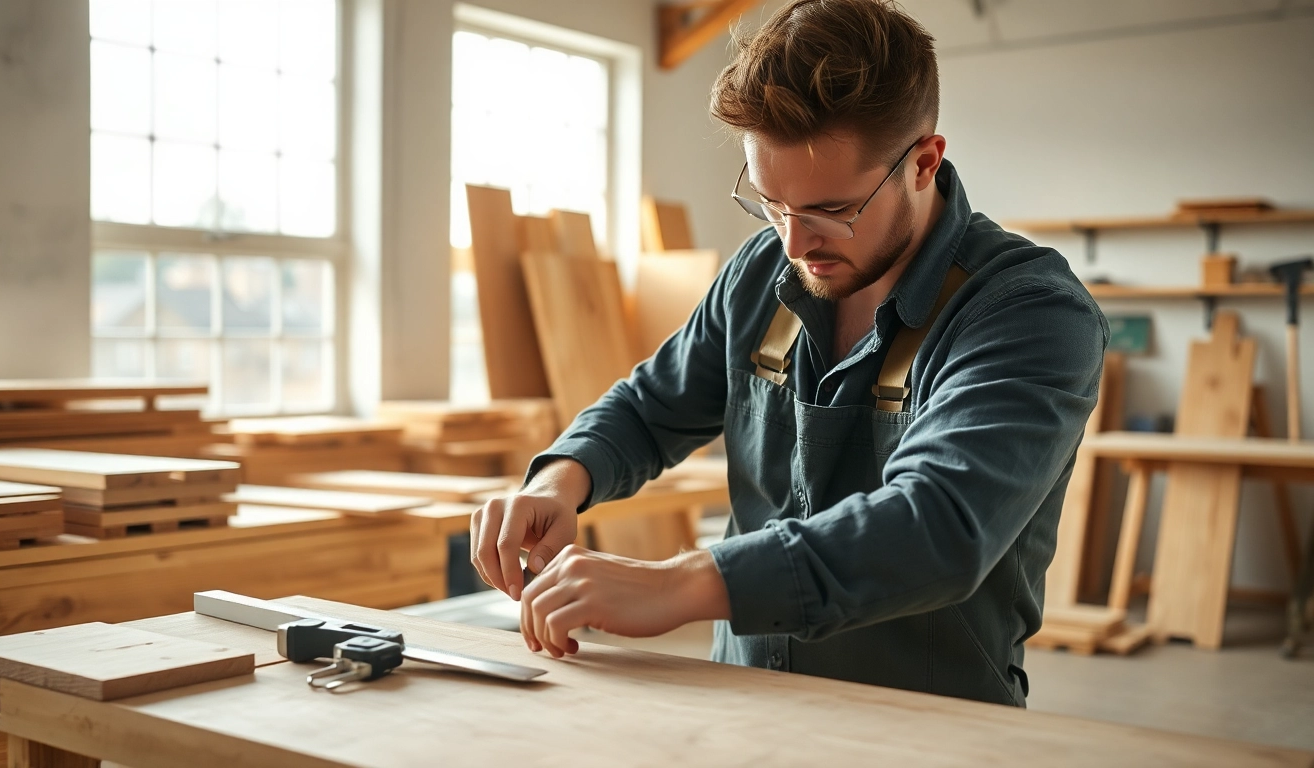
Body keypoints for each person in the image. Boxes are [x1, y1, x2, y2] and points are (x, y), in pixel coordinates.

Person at [469, 0, 1107, 707]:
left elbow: (939, 524)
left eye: (834, 211)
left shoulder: (1029, 311)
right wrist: (559, 479)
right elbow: (654, 406)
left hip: (926, 726)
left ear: (923, 163)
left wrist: (681, 583)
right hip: (741, 705)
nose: (796, 246)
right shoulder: (762, 274)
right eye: (772, 205)